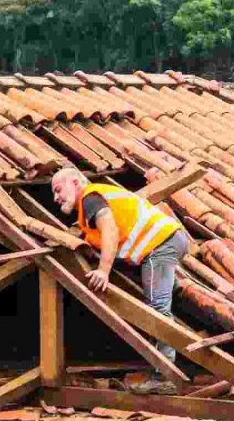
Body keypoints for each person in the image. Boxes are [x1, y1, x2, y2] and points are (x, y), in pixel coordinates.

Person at [51, 168, 189, 393]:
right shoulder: (91, 206)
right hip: (169, 241)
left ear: (76, 182)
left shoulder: (90, 198)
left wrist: (103, 271)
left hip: (160, 245)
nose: (56, 198)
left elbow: (110, 230)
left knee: (156, 310)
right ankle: (173, 287)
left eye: (58, 190)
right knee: (159, 298)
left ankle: (165, 376)